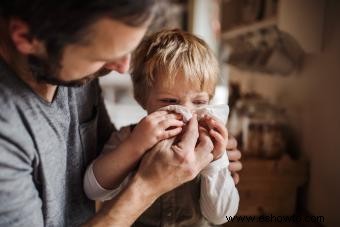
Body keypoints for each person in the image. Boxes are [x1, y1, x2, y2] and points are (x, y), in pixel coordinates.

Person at [0, 1, 242, 226]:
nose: (123, 68)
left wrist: (218, 165)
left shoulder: (79, 76)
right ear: (26, 37)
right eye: (101, 55)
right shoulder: (7, 133)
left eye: (129, 49)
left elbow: (226, 215)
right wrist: (148, 184)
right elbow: (95, 185)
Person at [83, 29, 239, 226]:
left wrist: (216, 162)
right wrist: (134, 146)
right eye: (169, 101)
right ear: (143, 99)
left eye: (199, 102)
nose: (187, 113)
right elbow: (93, 190)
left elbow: (221, 216)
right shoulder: (129, 137)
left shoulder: (209, 145)